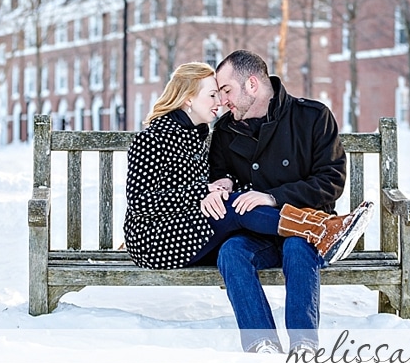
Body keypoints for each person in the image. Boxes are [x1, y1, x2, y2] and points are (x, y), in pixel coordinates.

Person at [125, 62, 371, 274]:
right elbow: (139, 202)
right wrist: (202, 192)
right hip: (154, 239)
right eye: (212, 95)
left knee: (239, 204)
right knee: (237, 207)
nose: (220, 102)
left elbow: (218, 177)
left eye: (221, 94)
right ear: (188, 98)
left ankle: (321, 228)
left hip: (190, 227)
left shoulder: (200, 136)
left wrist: (225, 183)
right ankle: (321, 228)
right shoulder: (152, 139)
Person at [202, 49, 371, 356]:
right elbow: (217, 171)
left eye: (226, 90)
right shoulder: (226, 130)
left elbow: (331, 181)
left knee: (297, 247)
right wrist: (220, 182)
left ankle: (304, 344)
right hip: (257, 233)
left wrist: (273, 197)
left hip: (305, 228)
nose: (223, 100)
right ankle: (261, 343)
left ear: (252, 85)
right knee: (232, 251)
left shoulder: (312, 117)